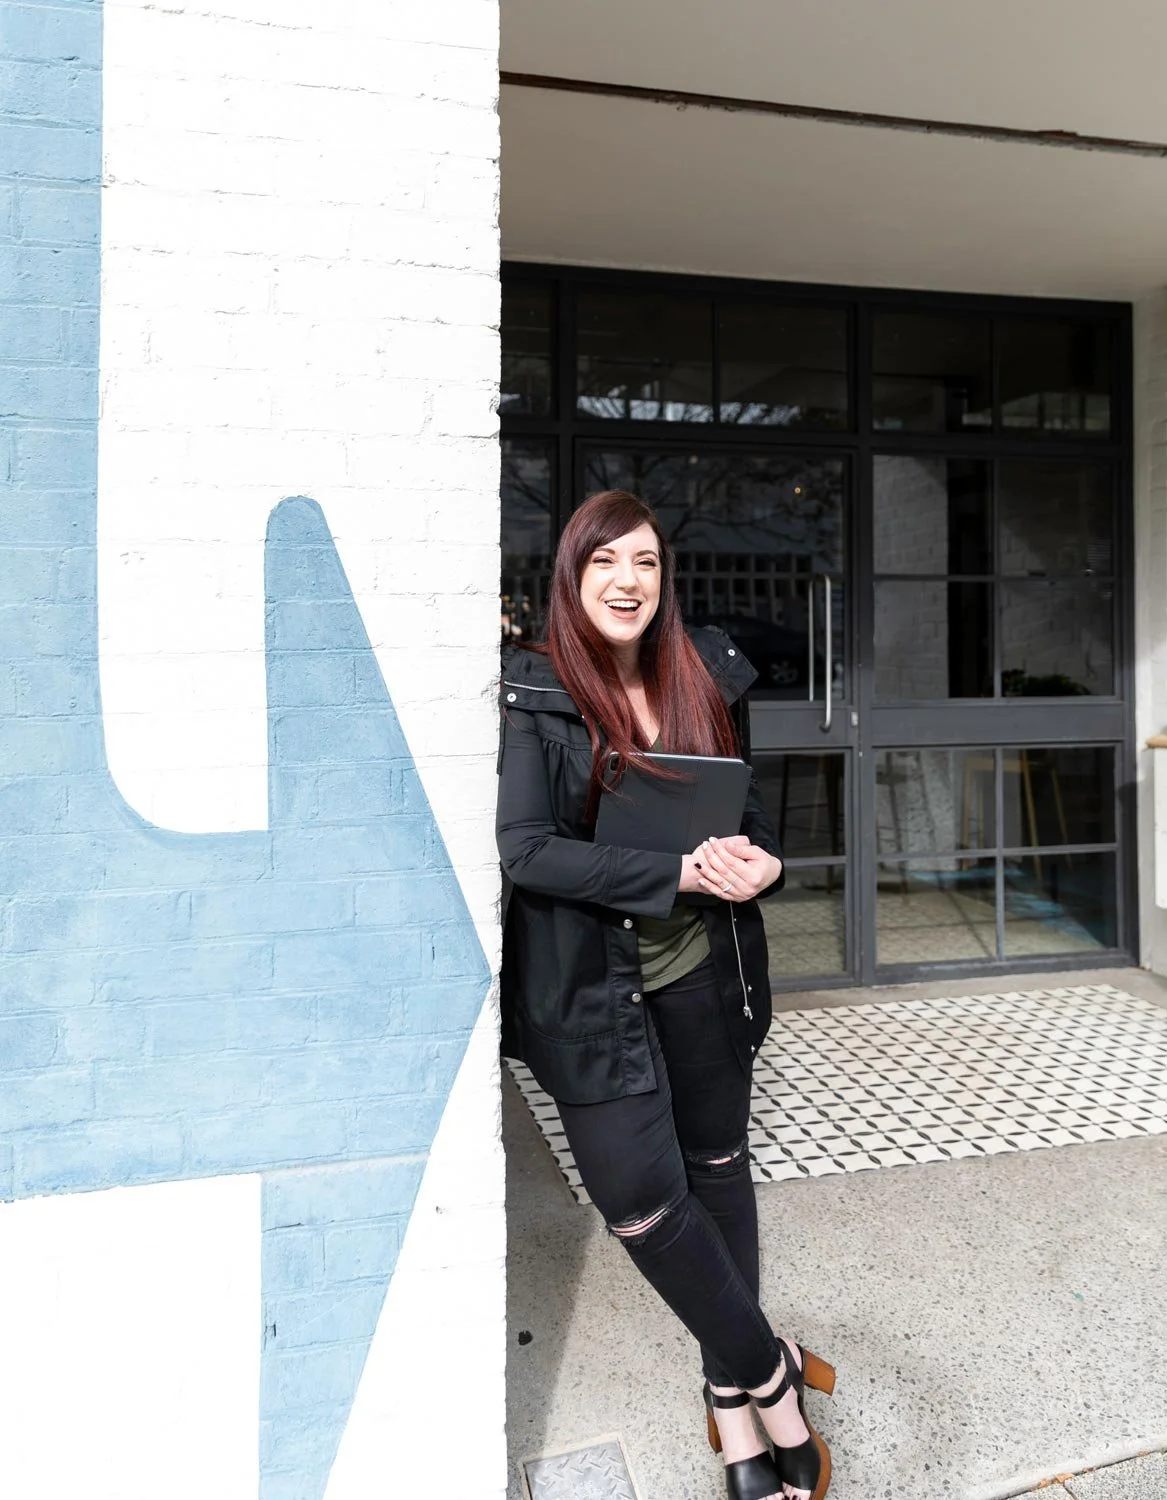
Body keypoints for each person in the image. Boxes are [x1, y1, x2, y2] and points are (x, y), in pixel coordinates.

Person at [496, 490, 835, 1500]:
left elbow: (757, 820)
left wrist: (762, 866)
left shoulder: (708, 677)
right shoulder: (538, 693)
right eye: (605, 563)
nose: (626, 581)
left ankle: (734, 1421)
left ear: (663, 578)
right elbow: (525, 851)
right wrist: (672, 876)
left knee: (720, 1174)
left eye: (643, 562)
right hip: (594, 998)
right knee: (644, 1206)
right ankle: (773, 1373)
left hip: (703, 980)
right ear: (573, 576)